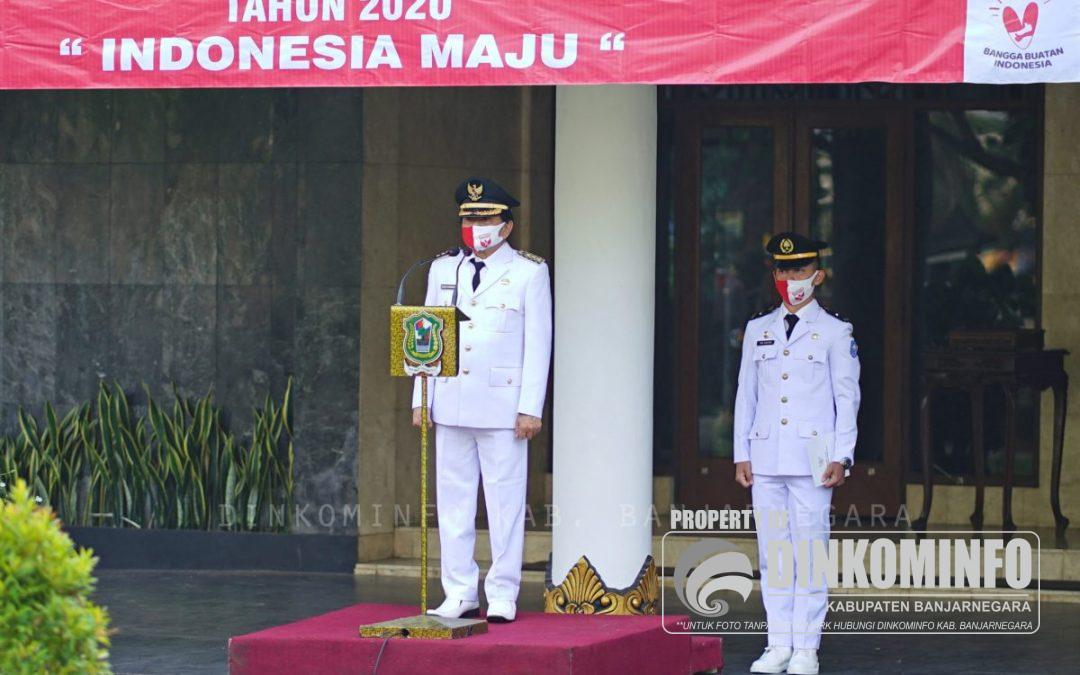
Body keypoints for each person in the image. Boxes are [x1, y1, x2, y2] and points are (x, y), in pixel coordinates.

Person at [412, 177, 553, 624]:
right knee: (452, 503)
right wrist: (421, 397)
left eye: (486, 217)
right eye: (469, 218)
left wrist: (531, 406)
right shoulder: (442, 269)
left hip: (502, 408)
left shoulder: (530, 271)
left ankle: (503, 591)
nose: (477, 226)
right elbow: (426, 337)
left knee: (504, 503)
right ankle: (458, 591)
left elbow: (539, 343)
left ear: (507, 225)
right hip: (450, 402)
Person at [733, 232, 861, 675]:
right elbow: (744, 396)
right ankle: (777, 644)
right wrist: (741, 452)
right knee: (773, 554)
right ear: (774, 276)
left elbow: (848, 398)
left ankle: (807, 647)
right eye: (783, 270)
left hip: (813, 460)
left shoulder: (835, 330)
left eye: (800, 270)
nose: (791, 279)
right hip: (766, 455)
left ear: (818, 275)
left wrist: (842, 456)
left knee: (809, 552)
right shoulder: (758, 329)